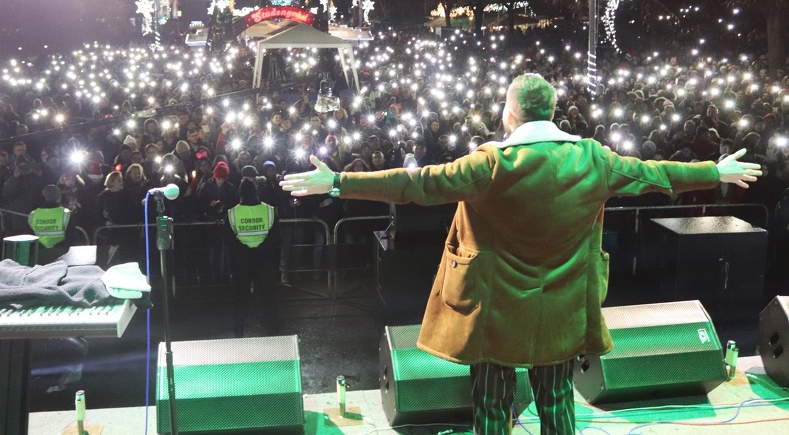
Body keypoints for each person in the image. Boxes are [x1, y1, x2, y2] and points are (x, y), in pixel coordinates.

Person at [280, 73, 761, 435]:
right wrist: (714, 172)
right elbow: (657, 175)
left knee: (491, 403)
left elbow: (417, 184)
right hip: (562, 307)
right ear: (551, 112)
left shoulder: (493, 164)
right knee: (556, 402)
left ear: (509, 115)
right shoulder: (593, 158)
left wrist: (340, 181)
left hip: (495, 310)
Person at [224, 179, 280, 337]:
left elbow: (228, 239)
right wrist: (262, 250)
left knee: (241, 296)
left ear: (240, 194)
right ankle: (272, 328)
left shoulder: (232, 213)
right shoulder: (269, 210)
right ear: (256, 192)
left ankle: (239, 329)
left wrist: (244, 251)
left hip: (242, 261)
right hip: (264, 259)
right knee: (267, 295)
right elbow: (276, 236)